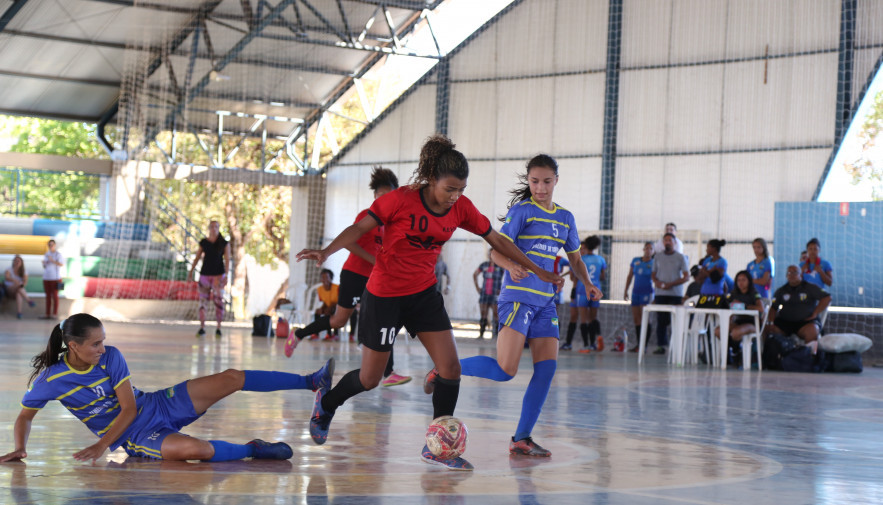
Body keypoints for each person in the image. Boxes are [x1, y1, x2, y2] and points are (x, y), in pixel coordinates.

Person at [295, 135, 562, 470]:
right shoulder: (399, 201)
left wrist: (539, 270)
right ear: (432, 179)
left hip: (423, 294)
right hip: (385, 295)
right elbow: (359, 227)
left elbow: (496, 239)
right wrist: (326, 252)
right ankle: (327, 403)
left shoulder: (461, 208)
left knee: (450, 368)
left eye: (461, 189)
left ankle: (436, 446)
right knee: (369, 378)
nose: (455, 196)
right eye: (449, 188)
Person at [0, 313, 333, 463]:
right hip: (136, 437)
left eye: (104, 342)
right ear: (73, 346)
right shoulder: (51, 379)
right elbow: (25, 417)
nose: (103, 348)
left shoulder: (111, 358)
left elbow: (130, 408)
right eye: (96, 344)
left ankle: (311, 382)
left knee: (231, 377)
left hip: (156, 406)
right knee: (198, 451)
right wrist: (20, 447)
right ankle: (253, 449)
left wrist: (101, 446)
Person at [457, 154, 601, 457]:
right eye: (534, 181)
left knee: (546, 370)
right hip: (518, 298)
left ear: (556, 181)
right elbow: (495, 252)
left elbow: (575, 258)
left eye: (547, 181)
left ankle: (521, 438)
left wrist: (586, 282)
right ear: (529, 181)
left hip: (546, 304)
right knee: (506, 370)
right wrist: (510, 266)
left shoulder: (565, 218)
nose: (540, 187)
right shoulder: (522, 211)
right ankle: (448, 369)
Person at [287, 167, 411, 386]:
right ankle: (299, 334)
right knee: (338, 320)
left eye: (389, 196)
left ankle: (388, 371)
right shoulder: (367, 216)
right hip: (354, 274)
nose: (385, 200)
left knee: (383, 316)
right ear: (375, 197)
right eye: (381, 196)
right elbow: (349, 242)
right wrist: (373, 260)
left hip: (376, 278)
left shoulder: (394, 222)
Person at [764, 265, 831, 344]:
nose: (792, 275)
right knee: (766, 329)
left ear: (801, 274)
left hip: (805, 322)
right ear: (786, 275)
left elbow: (827, 298)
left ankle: (810, 355)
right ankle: (767, 355)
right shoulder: (781, 291)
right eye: (789, 272)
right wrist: (771, 322)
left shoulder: (810, 287)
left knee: (813, 330)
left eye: (795, 272)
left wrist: (815, 312)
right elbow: (773, 308)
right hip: (784, 323)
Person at [562, 236, 606, 352]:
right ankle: (593, 343)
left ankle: (585, 345)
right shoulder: (601, 259)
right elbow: (603, 276)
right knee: (592, 318)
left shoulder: (580, 259)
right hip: (596, 290)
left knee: (583, 319)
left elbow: (573, 277)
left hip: (582, 291)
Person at [187, 220, 231, 338]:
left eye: (216, 226)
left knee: (218, 302)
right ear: (209, 228)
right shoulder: (204, 242)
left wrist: (226, 275)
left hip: (218, 276)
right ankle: (202, 327)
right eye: (211, 226)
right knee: (203, 302)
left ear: (218, 228)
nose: (213, 229)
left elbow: (227, 260)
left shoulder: (224, 243)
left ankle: (218, 327)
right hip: (205, 275)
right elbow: (197, 257)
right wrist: (191, 271)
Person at [649, 234, 689, 354]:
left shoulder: (681, 257)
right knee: (661, 321)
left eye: (670, 240)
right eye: (665, 240)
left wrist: (671, 284)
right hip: (661, 293)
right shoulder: (657, 257)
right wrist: (658, 283)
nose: (667, 242)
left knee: (675, 320)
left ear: (674, 242)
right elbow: (653, 274)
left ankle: (676, 346)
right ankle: (661, 345)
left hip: (675, 294)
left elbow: (686, 276)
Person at [720, 270, 763, 362]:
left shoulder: (754, 293)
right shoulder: (734, 293)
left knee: (735, 333)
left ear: (749, 281)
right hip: (738, 321)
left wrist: (744, 306)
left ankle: (736, 352)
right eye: (738, 280)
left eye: (743, 280)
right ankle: (729, 354)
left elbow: (761, 309)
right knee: (718, 331)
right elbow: (729, 307)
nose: (741, 283)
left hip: (752, 323)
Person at [624, 242, 654, 346]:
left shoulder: (654, 263)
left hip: (647, 292)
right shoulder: (636, 260)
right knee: (636, 319)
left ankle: (644, 345)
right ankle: (639, 344)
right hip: (635, 292)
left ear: (653, 251)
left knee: (645, 317)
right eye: (646, 248)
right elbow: (630, 276)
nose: (648, 250)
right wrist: (625, 290)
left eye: (650, 248)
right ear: (643, 249)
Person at [473, 249, 505, 339]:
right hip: (484, 293)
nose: (490, 255)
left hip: (495, 294)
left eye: (493, 253)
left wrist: (502, 289)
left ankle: (496, 335)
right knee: (483, 314)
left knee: (496, 315)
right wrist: (477, 287)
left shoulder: (500, 266)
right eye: (489, 253)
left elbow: (508, 276)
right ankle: (481, 334)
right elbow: (475, 274)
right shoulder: (484, 265)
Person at [310, 269, 340, 341]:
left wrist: (330, 307)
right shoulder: (319, 289)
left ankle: (334, 334)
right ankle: (316, 334)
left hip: (338, 307)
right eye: (323, 277)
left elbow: (340, 301)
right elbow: (324, 302)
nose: (325, 279)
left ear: (331, 278)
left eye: (327, 277)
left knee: (329, 312)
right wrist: (321, 308)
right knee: (317, 312)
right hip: (328, 306)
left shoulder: (337, 288)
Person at [40, 239, 64, 320]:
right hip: (46, 277)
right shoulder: (47, 254)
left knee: (55, 296)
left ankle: (54, 313)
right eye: (49, 245)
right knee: (48, 296)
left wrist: (52, 260)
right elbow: (45, 266)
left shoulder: (58, 254)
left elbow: (61, 264)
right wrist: (44, 263)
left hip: (55, 278)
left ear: (55, 245)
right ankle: (47, 313)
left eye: (52, 245)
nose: (50, 246)